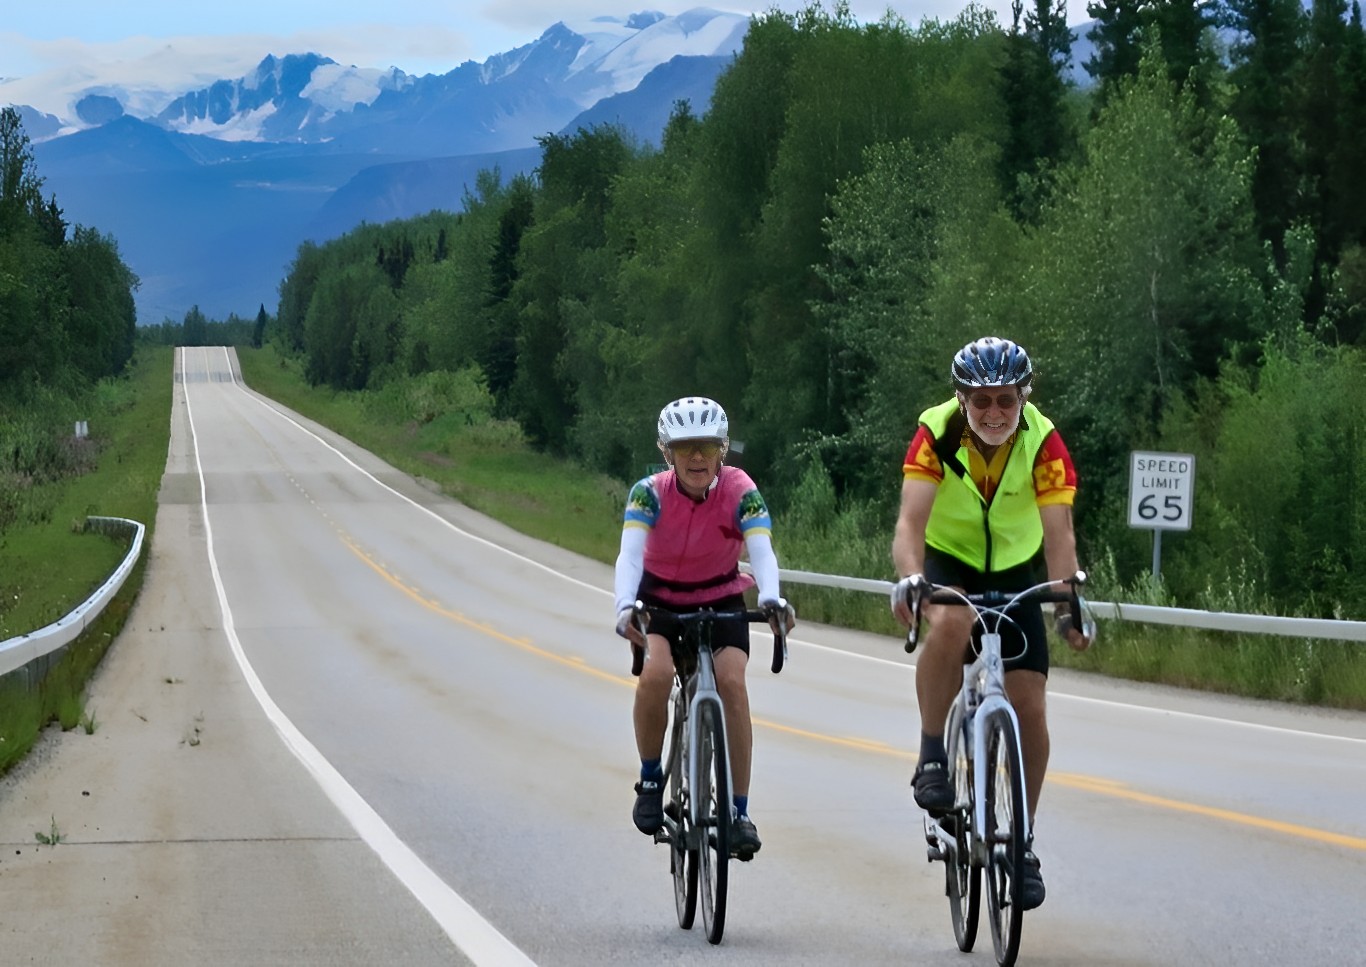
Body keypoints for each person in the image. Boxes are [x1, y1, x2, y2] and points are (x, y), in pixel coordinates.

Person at [889, 336, 1091, 911]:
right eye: (981, 402)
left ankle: (1021, 842)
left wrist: (1066, 601)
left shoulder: (1043, 441)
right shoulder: (936, 431)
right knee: (951, 622)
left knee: (1029, 704)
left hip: (1017, 564)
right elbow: (909, 522)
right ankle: (932, 754)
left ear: (1024, 396)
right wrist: (910, 577)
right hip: (948, 558)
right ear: (962, 399)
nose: (995, 413)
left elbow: (1060, 534)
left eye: (1006, 399)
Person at [614, 396, 794, 861]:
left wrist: (771, 598)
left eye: (707, 447)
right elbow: (630, 554)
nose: (697, 457)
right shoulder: (647, 492)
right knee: (654, 676)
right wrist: (624, 606)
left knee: (732, 683)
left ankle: (738, 813)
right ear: (666, 451)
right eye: (685, 447)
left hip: (720, 596)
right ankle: (651, 778)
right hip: (660, 602)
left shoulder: (740, 490)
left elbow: (763, 550)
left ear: (723, 450)